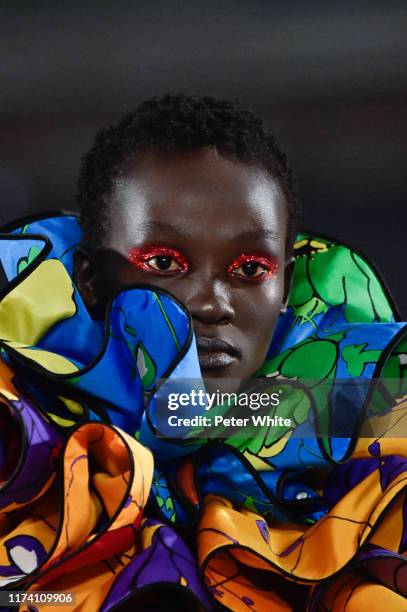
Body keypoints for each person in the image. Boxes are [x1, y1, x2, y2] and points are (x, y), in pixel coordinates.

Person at [0, 94, 405, 611]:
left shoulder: (374, 474)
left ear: (285, 288)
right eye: (164, 262)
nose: (212, 305)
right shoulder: (16, 455)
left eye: (251, 269)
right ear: (90, 278)